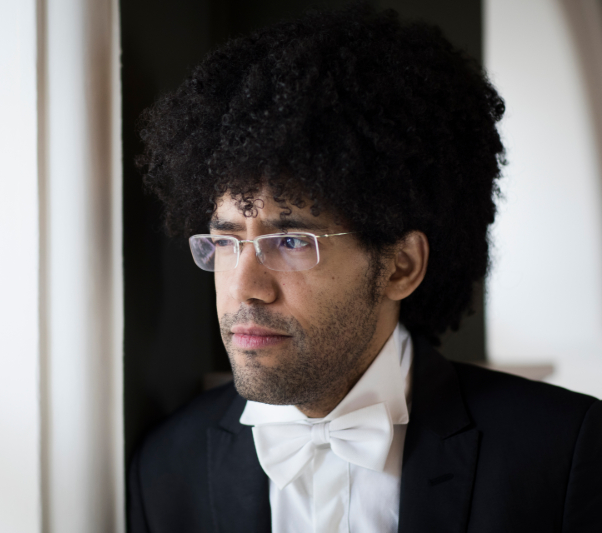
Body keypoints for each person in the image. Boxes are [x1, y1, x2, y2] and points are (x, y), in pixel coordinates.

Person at [128, 5, 602, 533]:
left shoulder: (562, 454)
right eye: (226, 240)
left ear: (401, 266)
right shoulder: (166, 469)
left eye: (290, 240)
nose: (244, 288)